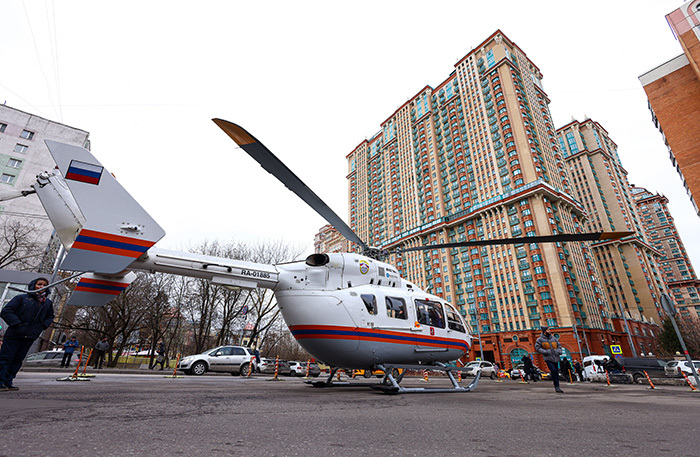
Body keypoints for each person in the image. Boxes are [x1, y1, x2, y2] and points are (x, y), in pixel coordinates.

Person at [0, 277, 54, 391]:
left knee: (18, 359)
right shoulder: (22, 298)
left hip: (30, 336)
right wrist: (17, 324)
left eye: (44, 285)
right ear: (34, 285)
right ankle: (0, 381)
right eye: (39, 284)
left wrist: (42, 326)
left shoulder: (47, 303)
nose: (41, 287)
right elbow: (6, 311)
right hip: (14, 334)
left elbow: (50, 316)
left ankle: (8, 381)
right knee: (6, 358)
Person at [535, 326, 564, 393]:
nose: (549, 331)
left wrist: (559, 351)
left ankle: (557, 387)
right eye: (548, 330)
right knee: (553, 370)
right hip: (548, 358)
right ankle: (556, 384)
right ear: (544, 331)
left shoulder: (554, 338)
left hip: (556, 358)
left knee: (556, 372)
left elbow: (559, 346)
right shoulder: (540, 340)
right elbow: (537, 348)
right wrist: (545, 352)